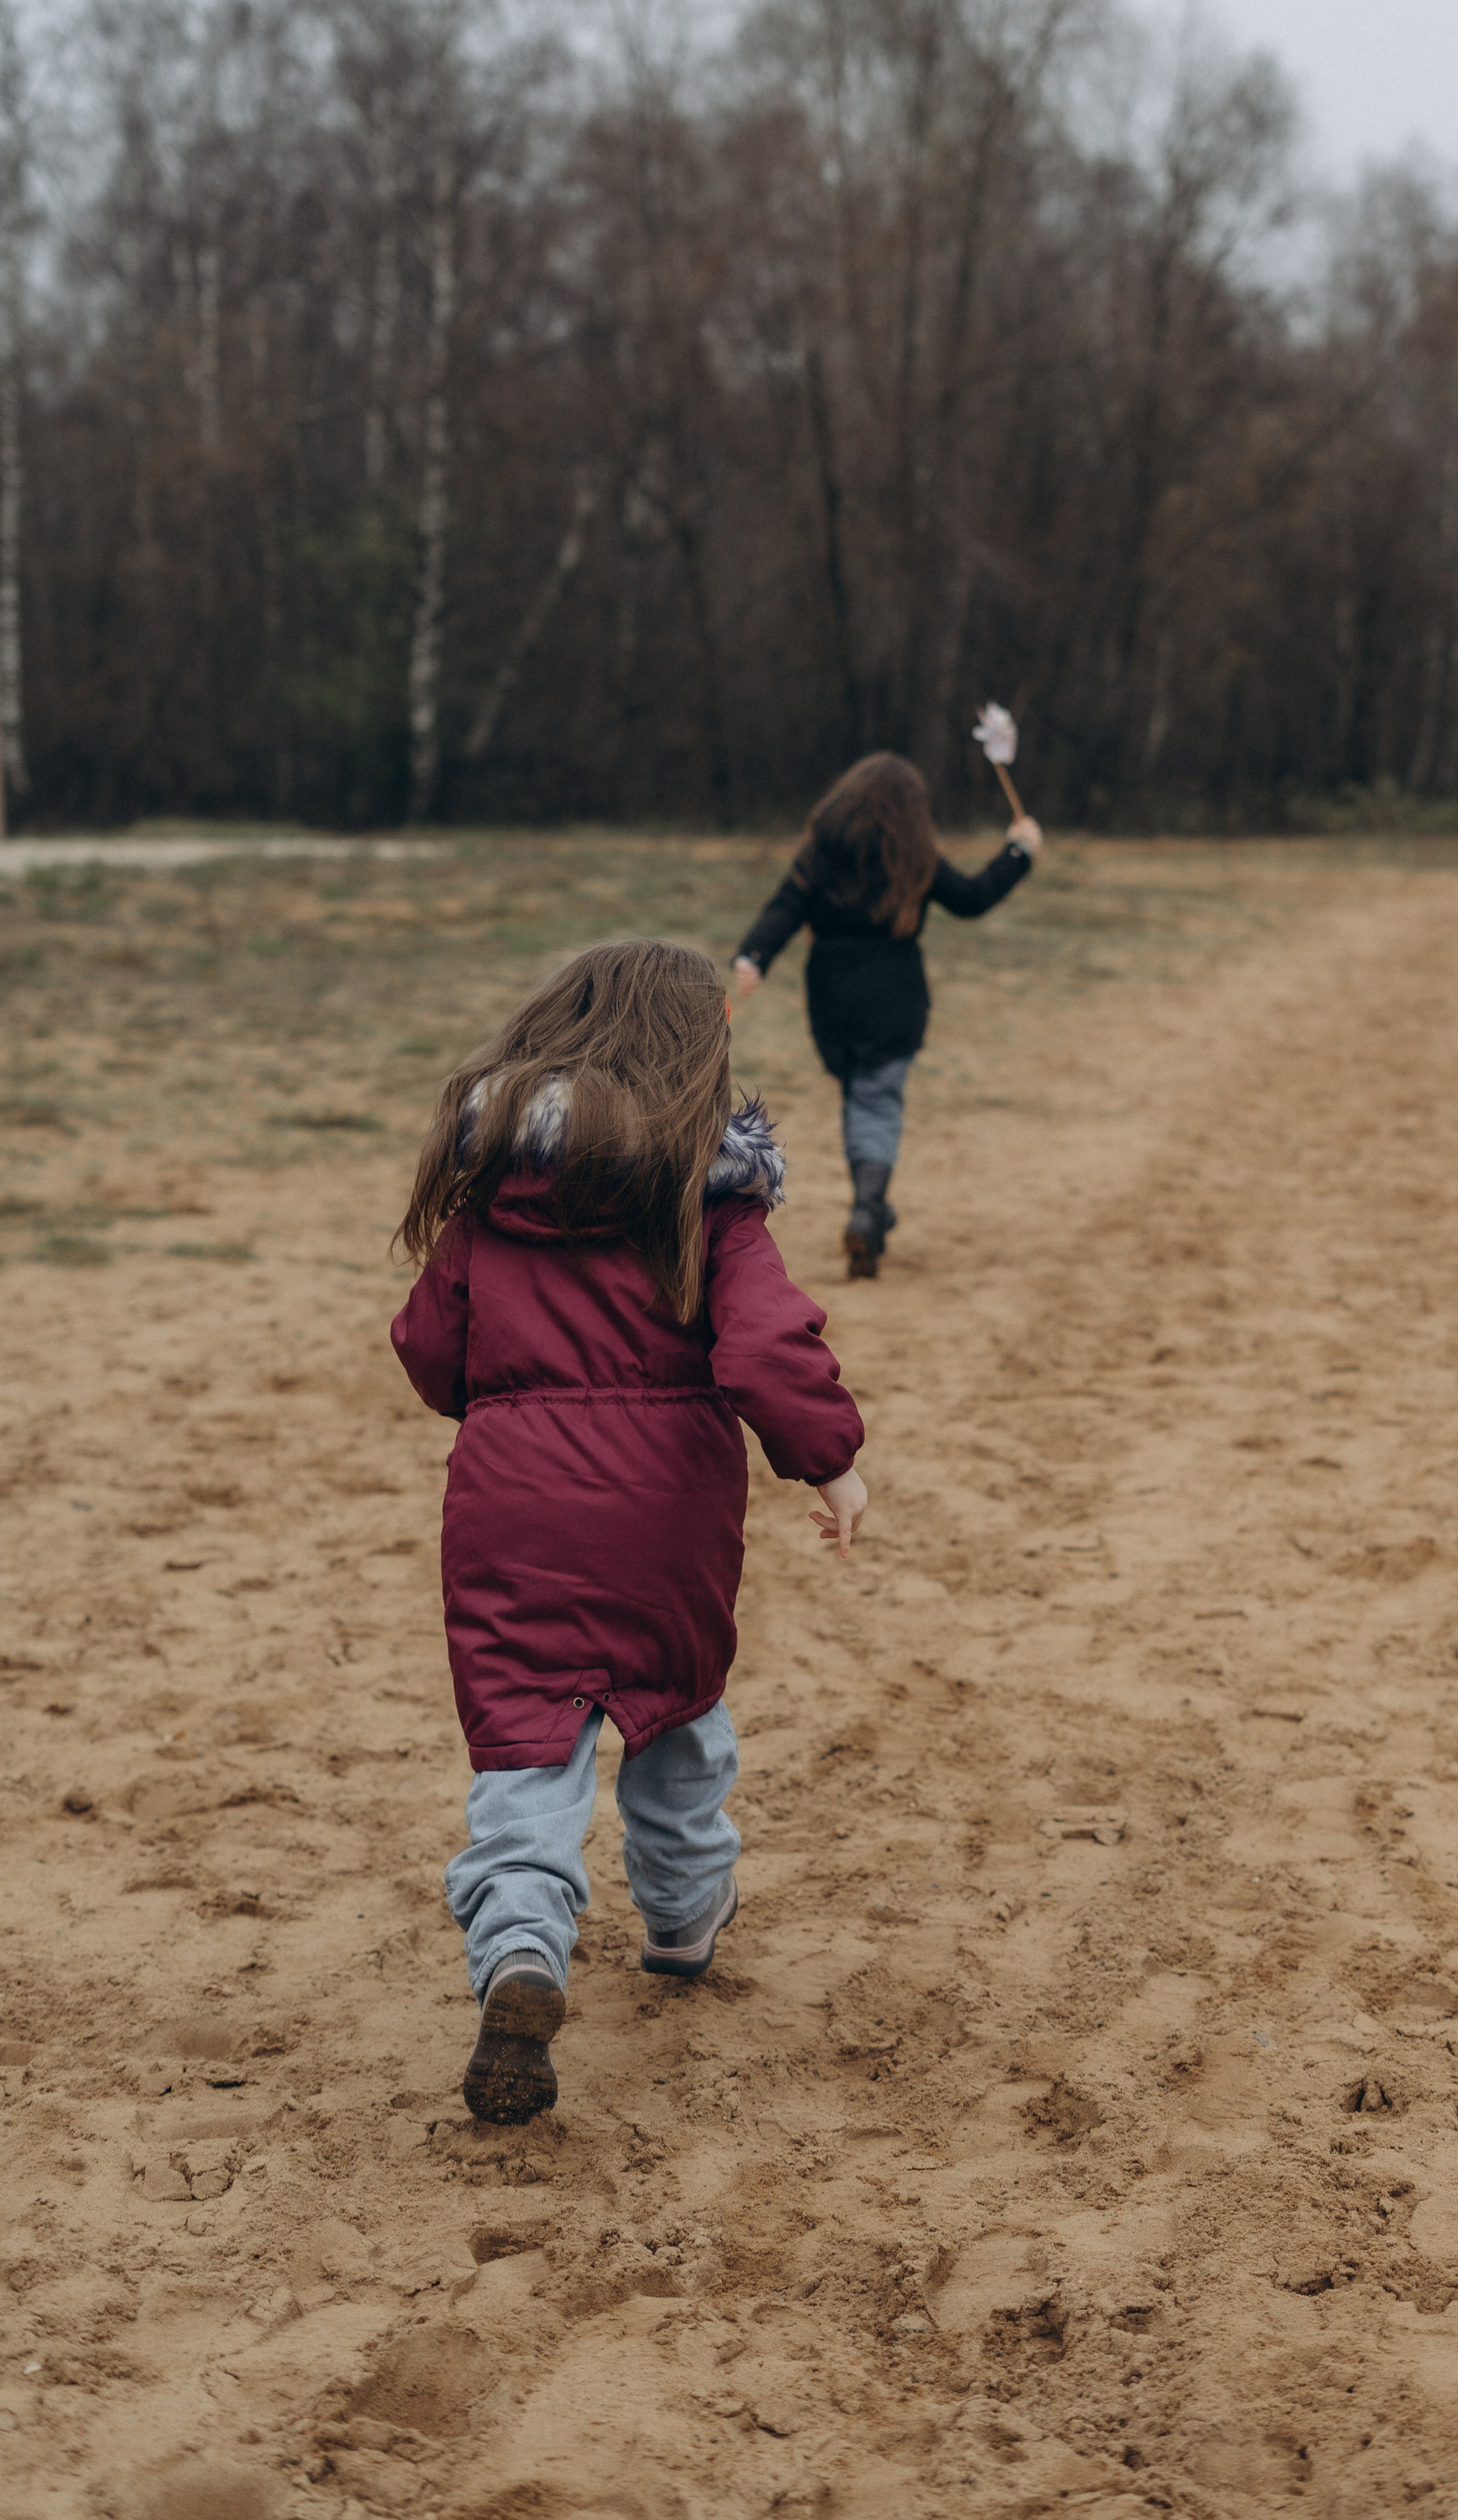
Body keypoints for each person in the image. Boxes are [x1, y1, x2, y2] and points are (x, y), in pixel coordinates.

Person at [390, 939, 866, 2126]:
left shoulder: (491, 1198)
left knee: (525, 1742)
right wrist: (832, 1461)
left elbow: (428, 1353)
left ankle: (521, 1952)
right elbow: (765, 1350)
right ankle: (686, 1922)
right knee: (678, 1715)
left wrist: (510, 1405)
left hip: (508, 1509)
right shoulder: (714, 1203)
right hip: (668, 1520)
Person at [733, 753, 1043, 1277]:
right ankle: (868, 1207)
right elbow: (971, 898)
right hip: (895, 999)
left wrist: (754, 956)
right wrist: (1020, 852)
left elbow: (785, 906)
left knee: (860, 1097)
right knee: (876, 1104)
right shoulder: (913, 856)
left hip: (831, 999)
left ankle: (871, 1208)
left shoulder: (821, 851)